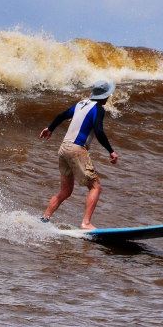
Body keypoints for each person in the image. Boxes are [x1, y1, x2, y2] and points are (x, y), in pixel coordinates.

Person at [38, 80, 119, 229]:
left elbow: (62, 115)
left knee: (65, 191)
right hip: (76, 149)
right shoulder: (98, 109)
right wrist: (111, 151)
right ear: (104, 96)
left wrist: (50, 128)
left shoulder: (81, 103)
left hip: (63, 149)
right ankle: (86, 223)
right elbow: (99, 131)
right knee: (96, 187)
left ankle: (44, 218)